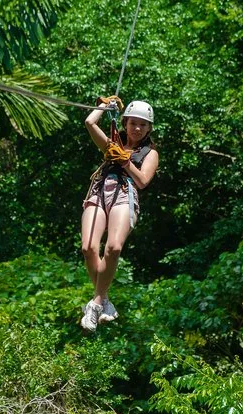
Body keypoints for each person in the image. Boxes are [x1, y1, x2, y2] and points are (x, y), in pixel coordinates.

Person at [80, 97, 159, 332]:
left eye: (143, 125)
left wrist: (126, 162)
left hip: (125, 193)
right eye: (133, 123)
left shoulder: (150, 153)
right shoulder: (113, 143)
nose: (137, 128)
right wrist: (104, 107)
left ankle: (95, 304)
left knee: (113, 247)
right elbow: (90, 123)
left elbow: (143, 181)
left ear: (149, 128)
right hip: (99, 190)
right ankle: (103, 300)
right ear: (125, 123)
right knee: (88, 248)